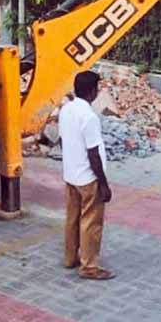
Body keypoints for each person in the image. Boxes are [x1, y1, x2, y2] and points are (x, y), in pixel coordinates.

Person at [59, 70, 115, 280]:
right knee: (91, 223)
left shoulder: (66, 110)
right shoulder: (89, 117)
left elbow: (66, 140)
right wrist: (103, 184)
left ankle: (70, 257)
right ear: (92, 91)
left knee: (72, 218)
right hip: (88, 178)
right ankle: (89, 267)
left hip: (71, 175)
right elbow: (93, 154)